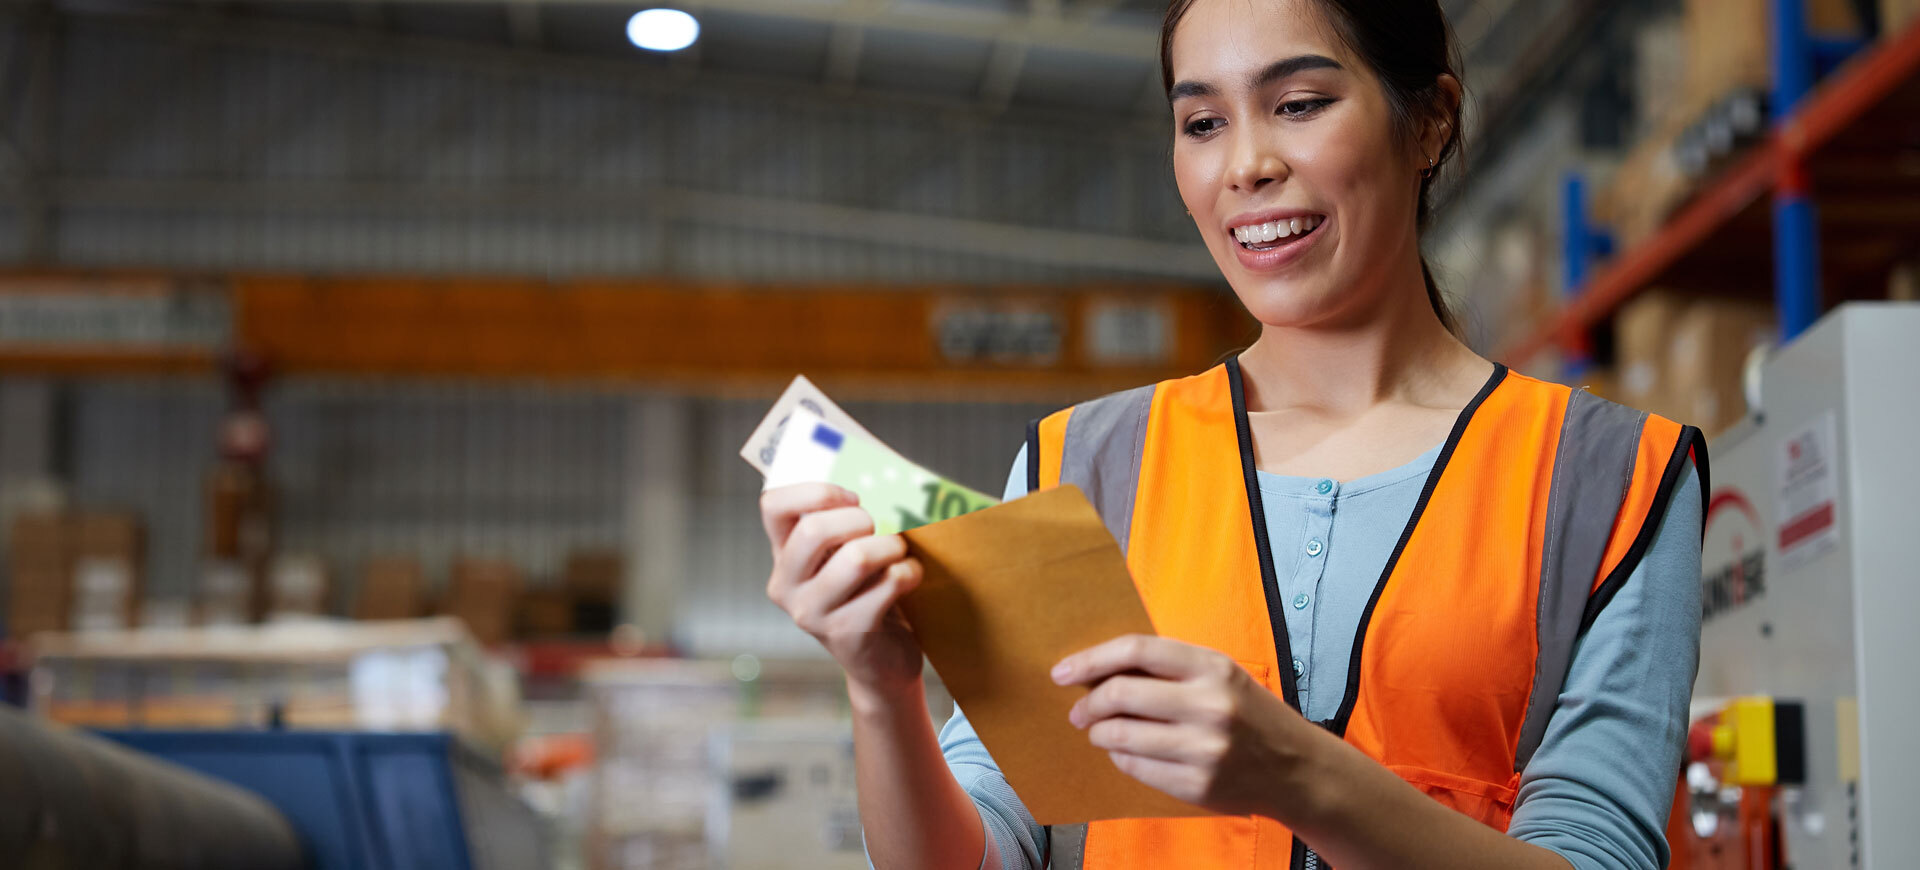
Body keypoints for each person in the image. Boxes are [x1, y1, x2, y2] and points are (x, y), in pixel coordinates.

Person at [758, 0, 1706, 867]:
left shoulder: (1613, 480)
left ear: (1430, 122)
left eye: (1297, 103)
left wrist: (1293, 773)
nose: (1246, 164)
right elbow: (986, 849)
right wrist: (883, 694)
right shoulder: (1084, 464)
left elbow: (1602, 853)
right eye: (1202, 123)